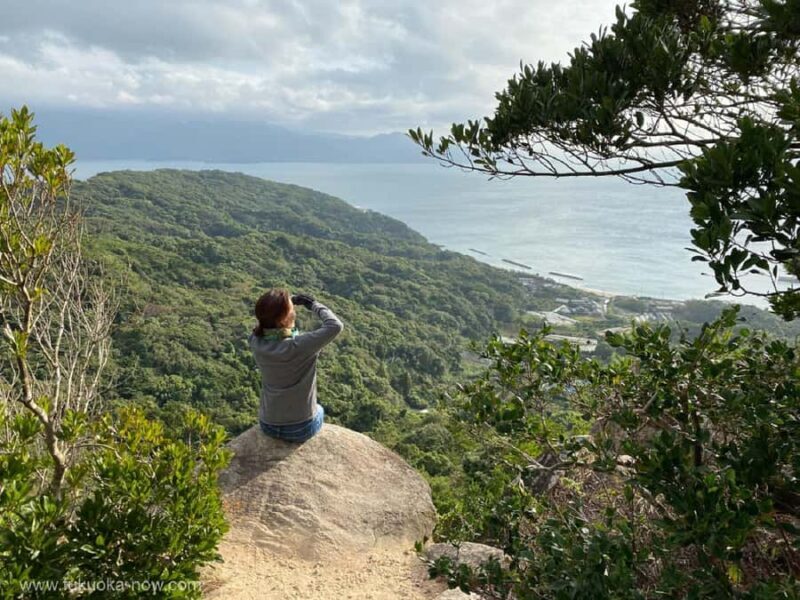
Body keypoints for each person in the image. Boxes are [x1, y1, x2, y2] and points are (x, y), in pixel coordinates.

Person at [248, 288, 344, 442]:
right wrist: (312, 304)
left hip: (268, 424)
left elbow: (264, 323)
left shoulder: (255, 341)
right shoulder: (301, 345)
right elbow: (335, 325)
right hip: (300, 428)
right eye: (291, 309)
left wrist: (281, 304)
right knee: (319, 409)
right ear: (285, 318)